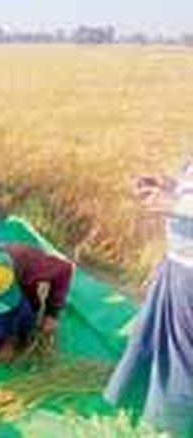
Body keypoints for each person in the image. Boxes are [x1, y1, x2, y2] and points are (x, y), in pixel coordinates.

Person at [104, 169, 193, 436]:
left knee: (181, 354)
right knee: (154, 338)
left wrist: (176, 204)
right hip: (177, 265)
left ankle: (174, 424)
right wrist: (172, 185)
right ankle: (142, 399)